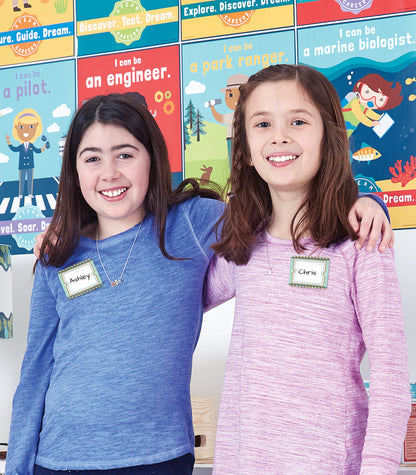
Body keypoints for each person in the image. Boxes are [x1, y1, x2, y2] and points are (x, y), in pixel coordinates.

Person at [7, 92, 392, 475]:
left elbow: (282, 209)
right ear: (74, 172)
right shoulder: (57, 254)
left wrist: (365, 202)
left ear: (152, 158)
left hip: (160, 457)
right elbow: (35, 370)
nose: (109, 173)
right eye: (92, 158)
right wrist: (19, 468)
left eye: (125, 154)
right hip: (58, 459)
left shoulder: (193, 222)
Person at [204, 64, 411, 474]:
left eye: (298, 121)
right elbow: (174, 300)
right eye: (262, 124)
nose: (279, 136)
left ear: (328, 137)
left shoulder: (361, 241)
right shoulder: (242, 246)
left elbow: (391, 376)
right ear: (245, 147)